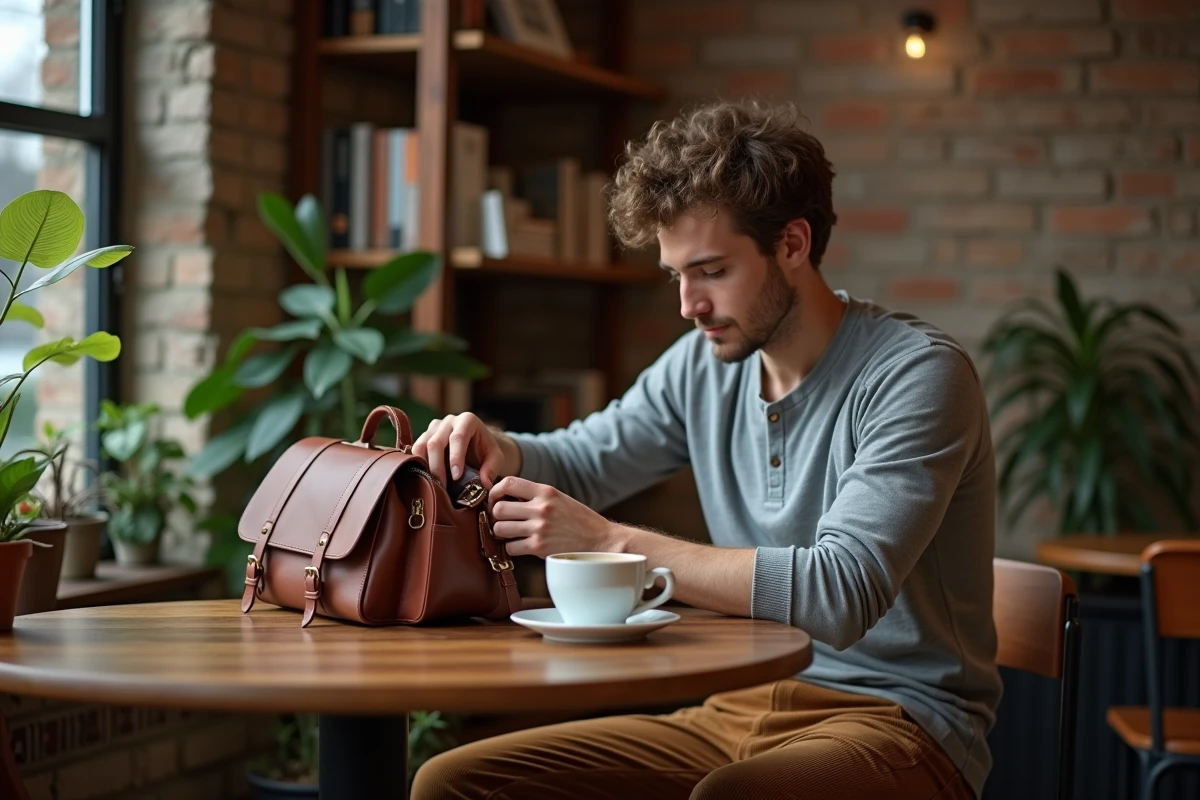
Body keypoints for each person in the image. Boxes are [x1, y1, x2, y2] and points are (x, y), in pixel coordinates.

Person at [409, 99, 1001, 800]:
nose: (688, 304)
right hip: (739, 700)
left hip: (901, 724)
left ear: (792, 244)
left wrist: (608, 540)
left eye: (712, 271)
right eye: (676, 276)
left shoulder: (916, 376)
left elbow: (841, 591)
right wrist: (503, 448)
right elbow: (587, 461)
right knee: (455, 782)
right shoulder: (702, 366)